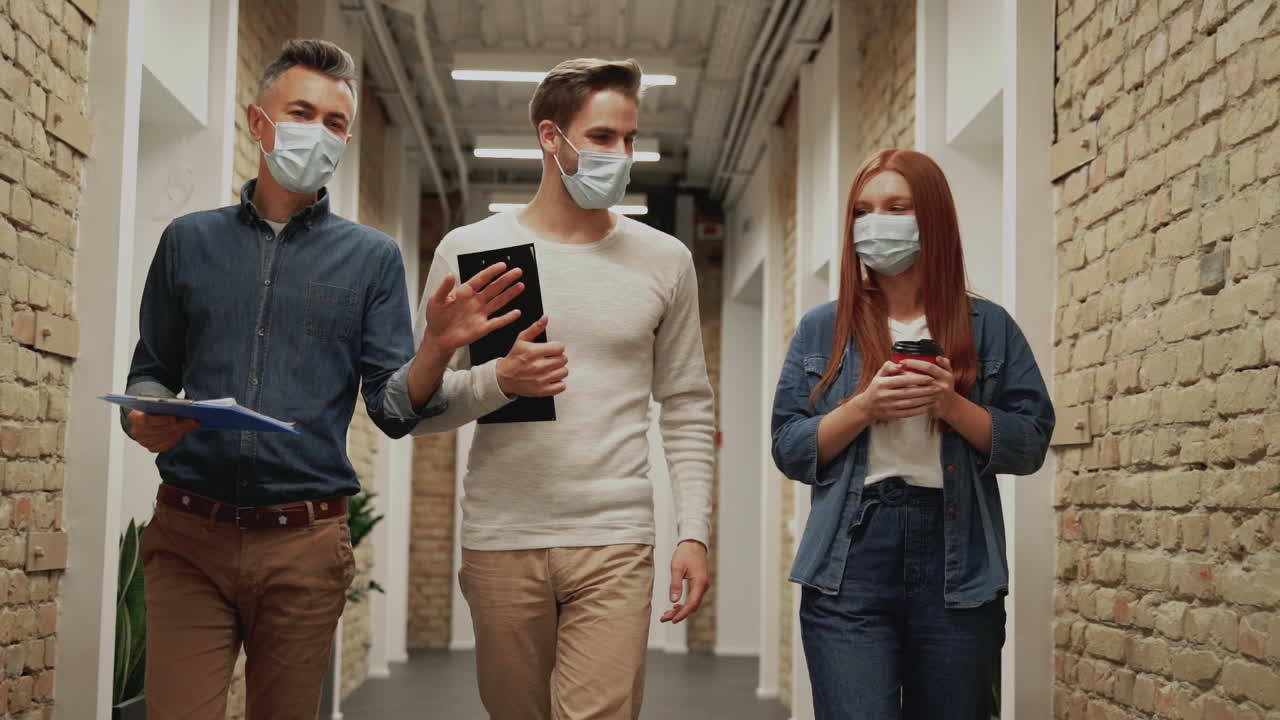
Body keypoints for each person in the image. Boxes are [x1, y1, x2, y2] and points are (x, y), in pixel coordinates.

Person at [122, 39, 523, 719]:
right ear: (259, 122)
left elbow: (393, 409)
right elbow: (152, 373)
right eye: (302, 113)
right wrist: (145, 417)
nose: (320, 133)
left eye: (335, 123)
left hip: (302, 545)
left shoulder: (371, 259)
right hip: (190, 534)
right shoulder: (188, 241)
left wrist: (437, 348)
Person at [409, 58, 716, 720]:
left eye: (630, 140)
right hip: (502, 535)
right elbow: (423, 410)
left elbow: (689, 408)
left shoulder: (666, 261)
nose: (622, 155)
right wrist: (499, 380)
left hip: (615, 535)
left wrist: (694, 531)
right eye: (603, 138)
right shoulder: (473, 251)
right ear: (552, 137)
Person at [771, 149, 1055, 720]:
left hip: (958, 561)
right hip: (850, 555)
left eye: (896, 207)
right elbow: (789, 447)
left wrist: (949, 405)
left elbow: (1030, 444)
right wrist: (864, 407)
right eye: (862, 211)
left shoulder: (989, 326)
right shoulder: (822, 327)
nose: (876, 223)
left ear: (932, 218)